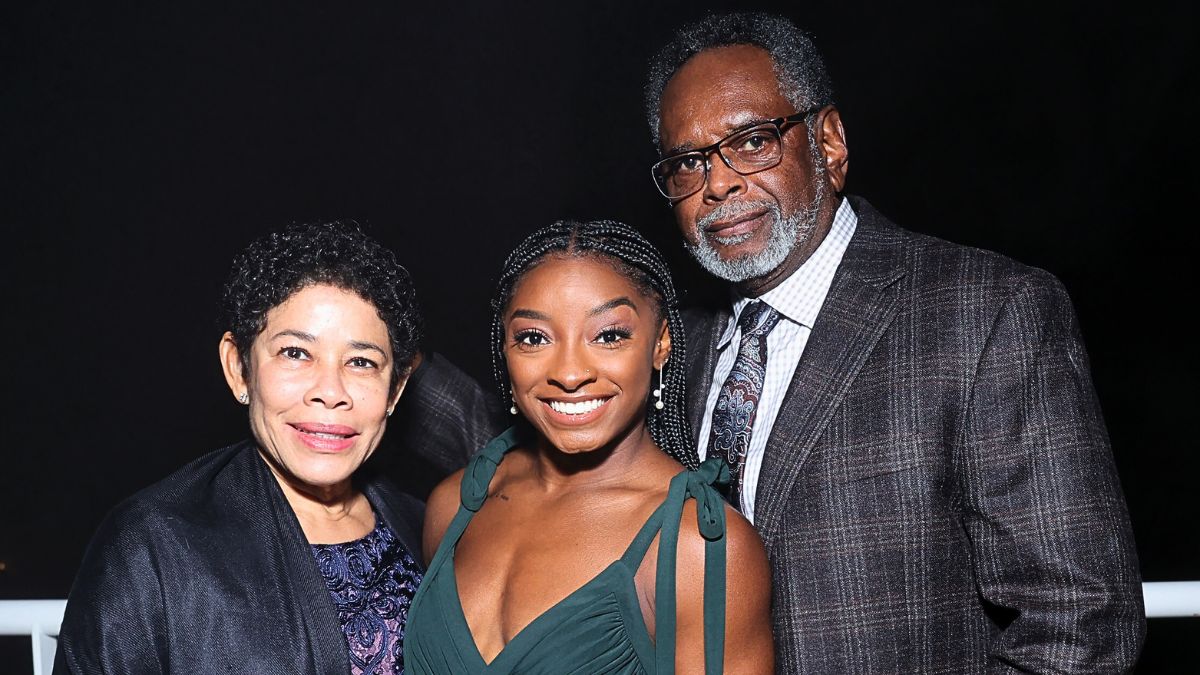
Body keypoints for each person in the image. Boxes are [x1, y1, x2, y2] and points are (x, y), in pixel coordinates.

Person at [401, 11, 1146, 674]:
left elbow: (1082, 620)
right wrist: (372, 356)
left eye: (751, 141)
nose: (718, 182)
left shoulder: (983, 311)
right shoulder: (673, 341)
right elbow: (540, 441)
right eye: (688, 161)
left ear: (828, 141)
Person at [403, 220, 773, 674]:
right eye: (534, 338)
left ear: (660, 345)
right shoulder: (454, 507)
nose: (571, 372)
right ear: (505, 350)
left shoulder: (698, 546)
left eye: (609, 335)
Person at [54, 223, 427, 674]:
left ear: (395, 390)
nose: (330, 391)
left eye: (361, 362)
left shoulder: (427, 530)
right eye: (295, 353)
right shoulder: (154, 544)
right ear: (239, 368)